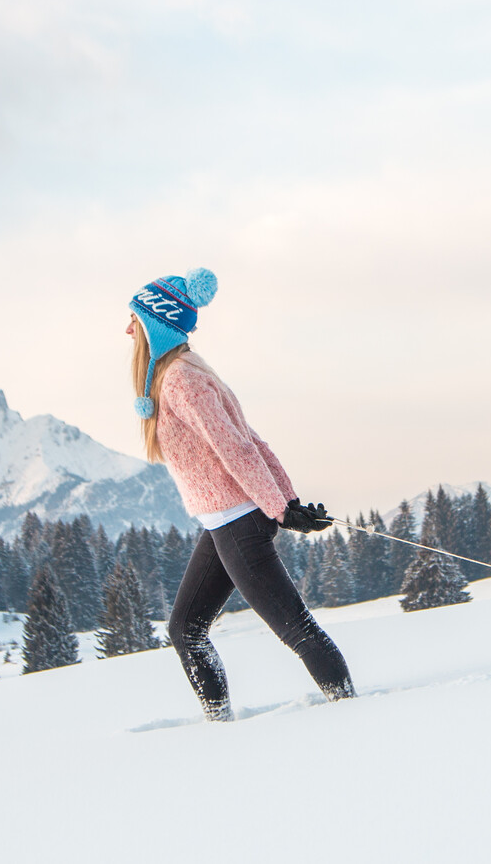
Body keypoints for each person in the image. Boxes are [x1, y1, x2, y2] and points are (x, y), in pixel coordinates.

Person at [127, 268, 354, 720]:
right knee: (186, 629)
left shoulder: (181, 381)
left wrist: (280, 508)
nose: (127, 328)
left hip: (238, 520)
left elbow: (237, 447)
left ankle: (351, 713)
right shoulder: (182, 374)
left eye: (133, 317)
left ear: (155, 321)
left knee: (296, 628)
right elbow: (252, 442)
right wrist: (285, 502)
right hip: (223, 522)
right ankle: (220, 724)